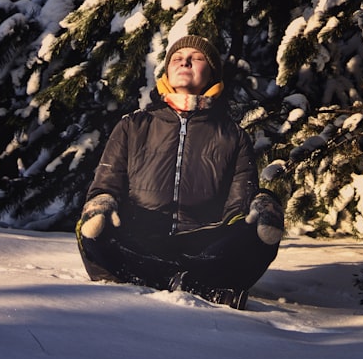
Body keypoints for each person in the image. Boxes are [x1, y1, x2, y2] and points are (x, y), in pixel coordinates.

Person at [76, 34, 284, 309]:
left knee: (260, 228)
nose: (185, 61)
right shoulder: (132, 126)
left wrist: (261, 207)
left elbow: (238, 212)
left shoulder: (233, 136)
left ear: (211, 73)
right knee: (92, 229)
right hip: (139, 243)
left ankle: (160, 280)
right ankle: (196, 286)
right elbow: (105, 188)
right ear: (166, 71)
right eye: (176, 58)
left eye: (196, 58)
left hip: (204, 248)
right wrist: (100, 205)